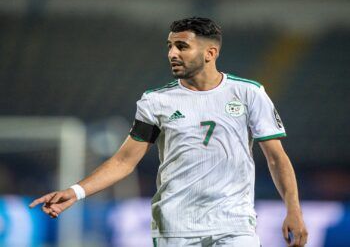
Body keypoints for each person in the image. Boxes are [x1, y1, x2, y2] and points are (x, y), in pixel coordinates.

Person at [30, 17, 308, 247]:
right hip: (175, 228)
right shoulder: (156, 101)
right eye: (170, 46)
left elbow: (276, 158)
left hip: (234, 225)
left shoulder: (248, 93)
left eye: (182, 46)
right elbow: (124, 161)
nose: (172, 54)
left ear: (210, 53)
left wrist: (293, 209)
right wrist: (75, 192)